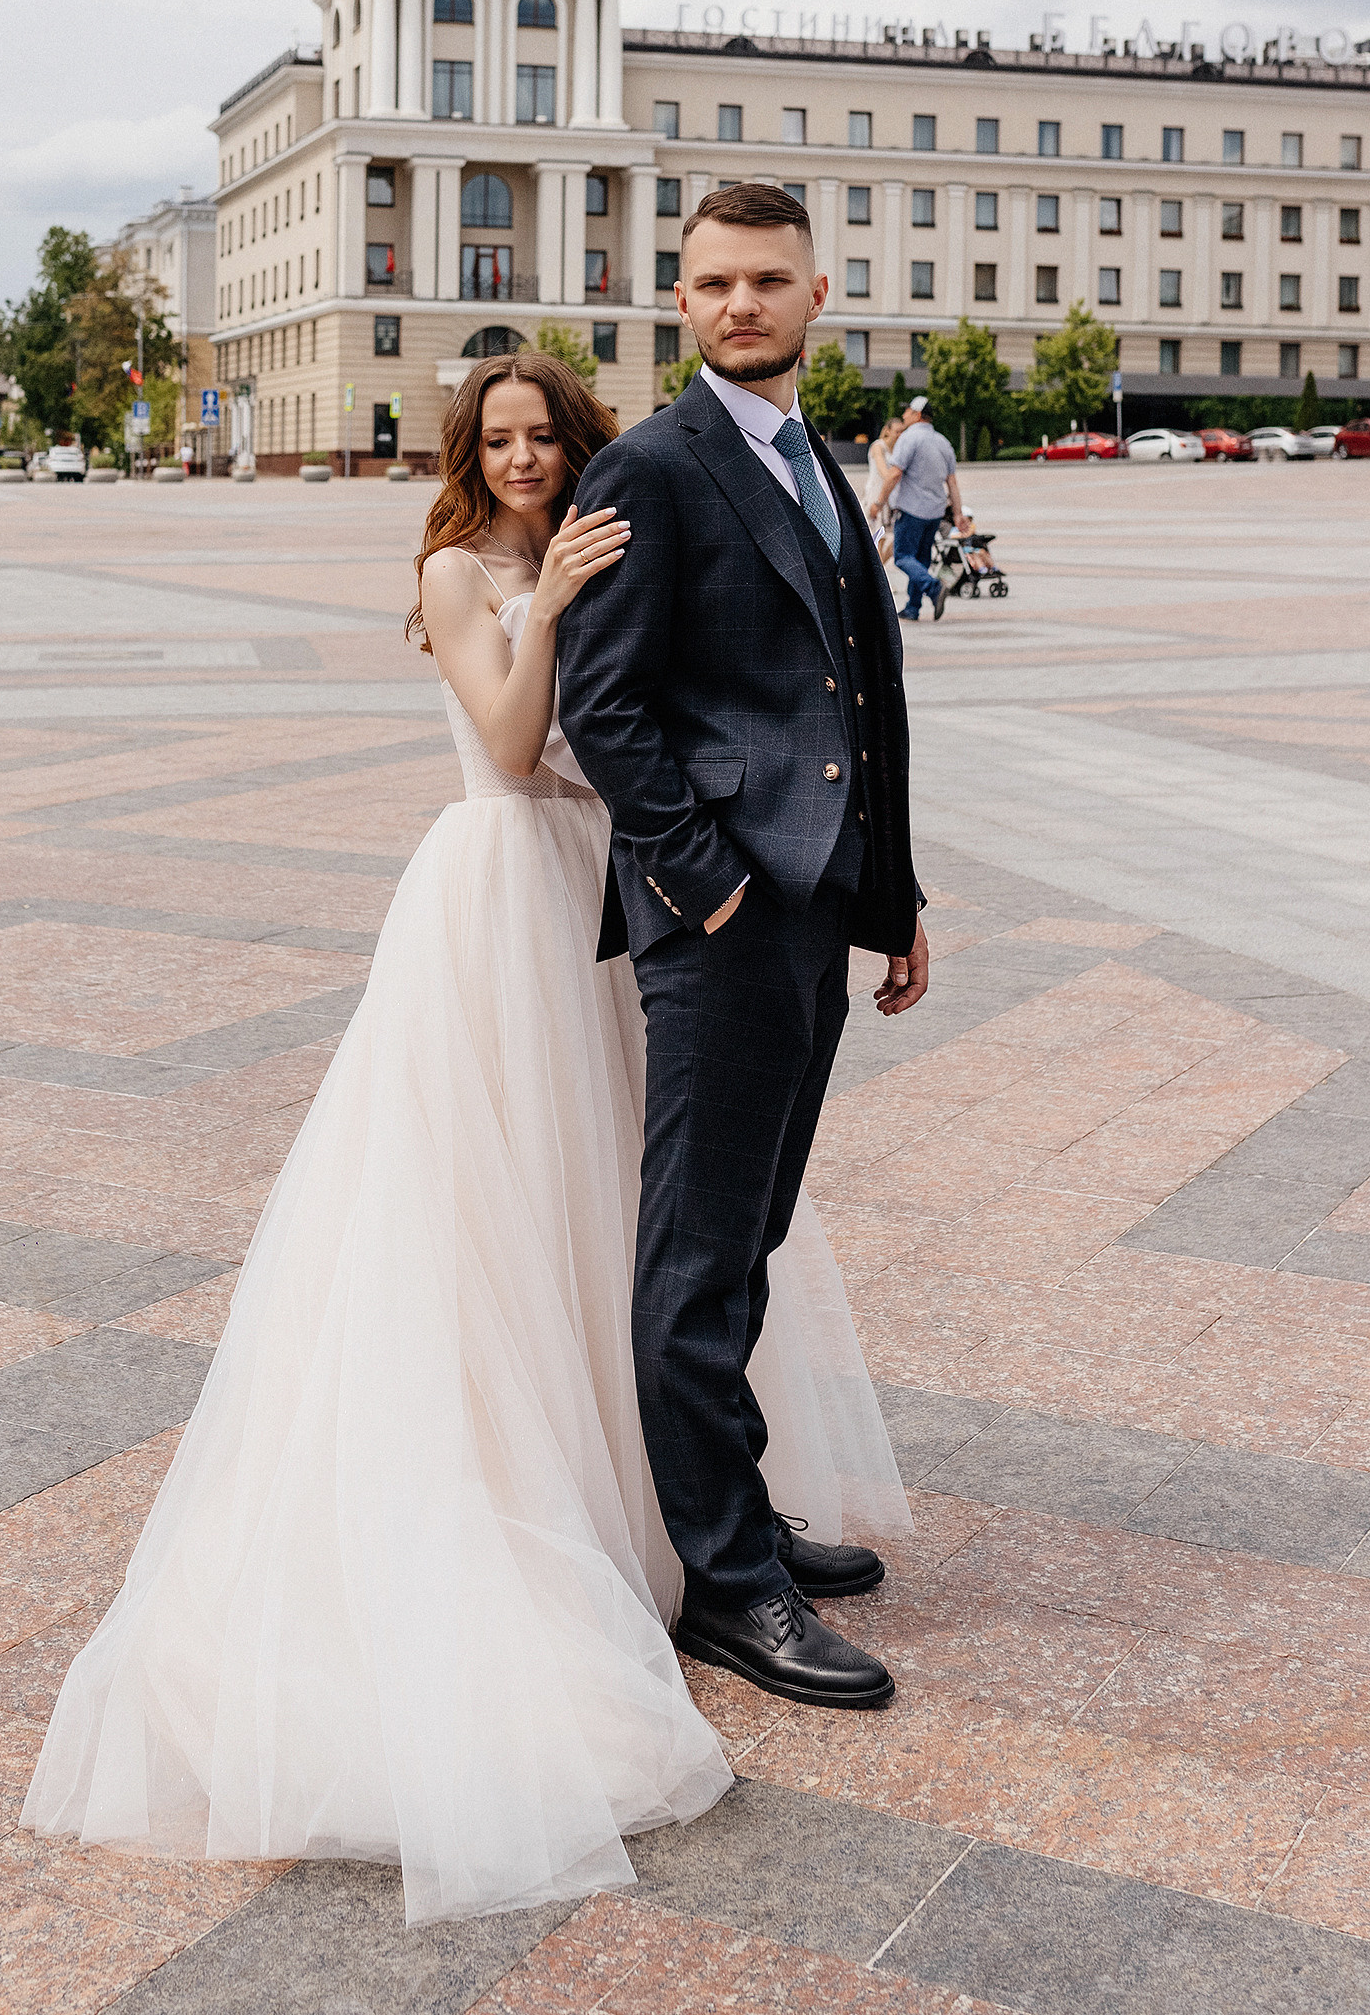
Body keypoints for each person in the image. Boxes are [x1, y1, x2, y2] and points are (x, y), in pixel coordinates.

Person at [22, 349, 910, 1923]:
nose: (519, 460)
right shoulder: (454, 570)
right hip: (502, 889)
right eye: (494, 441)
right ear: (466, 453)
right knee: (497, 1199)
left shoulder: (613, 528)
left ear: (577, 441)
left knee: (636, 1202)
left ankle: (682, 1502)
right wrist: (549, 602)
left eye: (540, 436)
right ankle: (572, 1509)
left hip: (614, 891)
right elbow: (511, 745)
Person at [557, 183, 928, 1716]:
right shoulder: (655, 462)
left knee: (752, 1229)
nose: (739, 306)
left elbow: (860, 693)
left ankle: (741, 1507)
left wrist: (890, 893)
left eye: (767, 282)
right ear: (679, 295)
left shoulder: (814, 459)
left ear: (818, 293)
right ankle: (725, 1584)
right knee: (699, 1253)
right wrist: (704, 884)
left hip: (816, 901)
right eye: (712, 283)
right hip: (722, 920)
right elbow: (605, 702)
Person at [877, 393, 963, 623]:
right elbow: (952, 482)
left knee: (903, 557)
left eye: (907, 411)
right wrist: (958, 514)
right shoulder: (943, 442)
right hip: (934, 513)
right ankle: (912, 608)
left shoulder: (909, 438)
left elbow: (895, 473)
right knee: (921, 560)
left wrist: (879, 502)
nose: (904, 415)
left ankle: (934, 588)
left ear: (917, 414)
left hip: (911, 509)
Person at [862, 412, 904, 563]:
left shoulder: (897, 451)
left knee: (895, 541)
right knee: (878, 540)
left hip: (890, 500)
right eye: (897, 431)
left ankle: (879, 574)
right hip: (876, 496)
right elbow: (884, 473)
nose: (900, 435)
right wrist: (894, 476)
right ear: (888, 430)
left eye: (902, 432)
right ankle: (879, 581)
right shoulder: (878, 447)